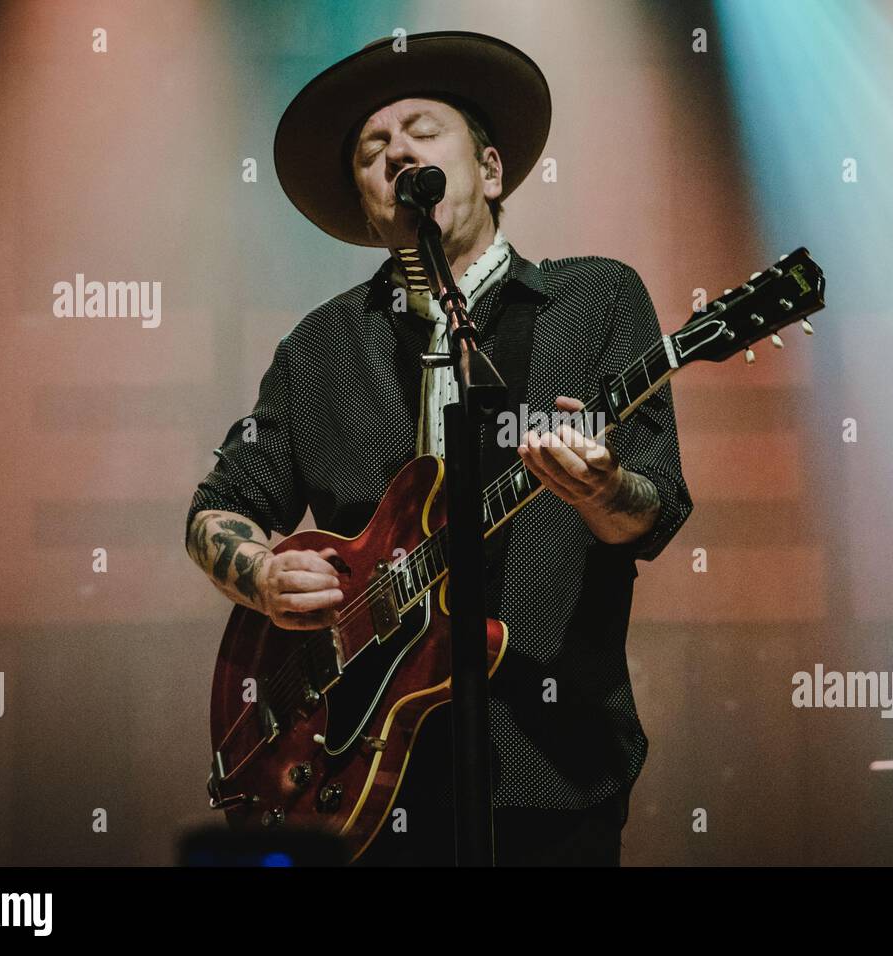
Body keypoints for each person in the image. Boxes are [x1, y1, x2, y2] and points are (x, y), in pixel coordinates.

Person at [185, 31, 692, 866]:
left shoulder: (595, 300)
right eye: (372, 150)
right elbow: (219, 507)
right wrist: (265, 575)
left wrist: (603, 492)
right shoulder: (320, 350)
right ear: (366, 202)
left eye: (421, 130)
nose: (396, 152)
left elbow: (653, 510)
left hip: (548, 774)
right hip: (363, 782)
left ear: (489, 170)